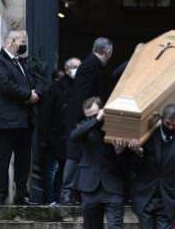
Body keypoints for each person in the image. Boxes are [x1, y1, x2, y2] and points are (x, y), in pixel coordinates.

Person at [0, 30, 43, 205]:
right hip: (7, 120)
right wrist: (28, 95)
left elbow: (36, 80)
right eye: (22, 41)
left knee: (23, 160)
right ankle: (1, 196)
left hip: (25, 120)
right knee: (4, 158)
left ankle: (22, 195)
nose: (24, 44)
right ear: (11, 41)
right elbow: (5, 85)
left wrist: (37, 93)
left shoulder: (22, 63)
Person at [62, 37, 113, 204]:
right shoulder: (92, 65)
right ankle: (67, 193)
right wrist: (87, 120)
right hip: (81, 118)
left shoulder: (91, 64)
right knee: (74, 155)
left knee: (79, 155)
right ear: (107, 51)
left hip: (84, 117)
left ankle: (72, 193)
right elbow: (83, 95)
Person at [128, 104, 175, 229]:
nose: (170, 127)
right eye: (167, 123)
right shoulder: (147, 137)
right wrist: (138, 154)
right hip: (144, 197)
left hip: (168, 200)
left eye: (174, 125)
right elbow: (133, 168)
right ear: (162, 120)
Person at [71, 97, 126, 229]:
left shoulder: (116, 127)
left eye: (95, 115)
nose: (92, 119)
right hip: (89, 187)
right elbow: (74, 136)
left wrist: (120, 152)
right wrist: (96, 120)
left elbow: (129, 160)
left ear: (102, 110)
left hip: (113, 185)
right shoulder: (85, 127)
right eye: (89, 117)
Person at [40, 57, 81, 205]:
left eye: (79, 66)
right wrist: (44, 137)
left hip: (73, 136)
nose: (77, 70)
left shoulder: (81, 86)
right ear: (66, 69)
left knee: (68, 169)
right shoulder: (56, 88)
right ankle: (51, 199)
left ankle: (66, 197)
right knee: (53, 169)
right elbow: (46, 114)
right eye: (74, 67)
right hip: (56, 136)